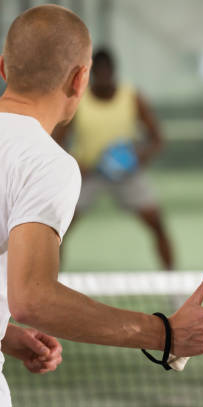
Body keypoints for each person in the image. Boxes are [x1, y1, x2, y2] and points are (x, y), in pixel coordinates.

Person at [0, 5, 203, 405]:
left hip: (124, 175)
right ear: (80, 79)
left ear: (4, 68)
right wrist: (166, 334)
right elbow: (32, 299)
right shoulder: (46, 163)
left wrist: (5, 334)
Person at [53, 48, 174, 271]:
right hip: (88, 175)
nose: (103, 77)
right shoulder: (77, 100)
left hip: (128, 175)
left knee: (157, 224)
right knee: (57, 230)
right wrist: (77, 165)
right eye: (97, 72)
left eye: (106, 71)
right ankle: (52, 281)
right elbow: (56, 142)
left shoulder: (132, 96)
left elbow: (157, 138)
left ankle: (173, 285)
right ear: (90, 74)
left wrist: (138, 157)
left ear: (114, 71)